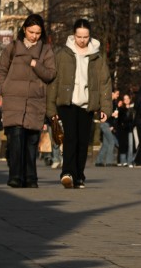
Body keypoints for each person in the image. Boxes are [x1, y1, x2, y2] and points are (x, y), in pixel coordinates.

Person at [47, 18, 113, 189]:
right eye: (79, 37)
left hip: (87, 104)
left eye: (85, 37)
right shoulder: (62, 55)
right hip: (67, 102)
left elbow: (105, 83)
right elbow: (53, 82)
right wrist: (51, 108)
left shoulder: (97, 57)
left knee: (83, 142)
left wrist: (105, 108)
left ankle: (79, 176)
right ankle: (67, 173)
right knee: (70, 137)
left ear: (89, 36)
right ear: (73, 35)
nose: (82, 40)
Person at [0, 13, 58, 188]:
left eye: (38, 33)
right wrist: (4, 88)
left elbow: (51, 74)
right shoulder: (13, 48)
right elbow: (1, 70)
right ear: (24, 29)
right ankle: (15, 176)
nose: (34, 36)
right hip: (14, 100)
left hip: (35, 101)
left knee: (31, 141)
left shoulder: (46, 50)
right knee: (15, 139)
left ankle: (31, 178)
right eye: (31, 32)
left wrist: (36, 65)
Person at [95, 89, 120, 166]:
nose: (118, 95)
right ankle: (109, 162)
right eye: (117, 94)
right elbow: (103, 113)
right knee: (111, 141)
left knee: (106, 144)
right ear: (112, 93)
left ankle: (99, 161)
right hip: (105, 123)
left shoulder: (114, 103)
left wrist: (112, 125)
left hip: (108, 124)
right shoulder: (107, 102)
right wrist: (112, 114)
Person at [114, 91, 136, 166]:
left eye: (127, 98)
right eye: (124, 99)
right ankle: (123, 161)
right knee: (123, 145)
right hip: (123, 130)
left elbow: (134, 119)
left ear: (130, 99)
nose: (126, 100)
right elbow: (119, 120)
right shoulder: (121, 109)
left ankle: (130, 161)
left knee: (131, 145)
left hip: (130, 129)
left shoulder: (133, 109)